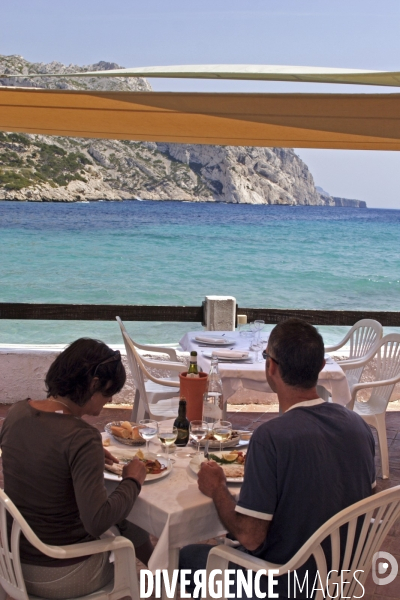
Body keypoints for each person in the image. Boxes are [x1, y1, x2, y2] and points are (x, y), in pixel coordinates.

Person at [180, 318, 376, 599]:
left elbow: (250, 536)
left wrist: (218, 489)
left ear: (270, 367)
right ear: (320, 367)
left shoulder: (271, 437)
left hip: (284, 583)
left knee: (186, 558)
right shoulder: (359, 426)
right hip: (340, 575)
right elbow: (365, 501)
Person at [0, 338, 152, 599]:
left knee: (124, 518)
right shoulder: (82, 437)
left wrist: (81, 458)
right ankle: (162, 574)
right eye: (108, 393)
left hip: (12, 561)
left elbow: (35, 450)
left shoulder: (16, 413)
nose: (110, 399)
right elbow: (97, 521)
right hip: (61, 572)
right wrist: (132, 480)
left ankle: (157, 563)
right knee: (120, 520)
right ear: (94, 385)